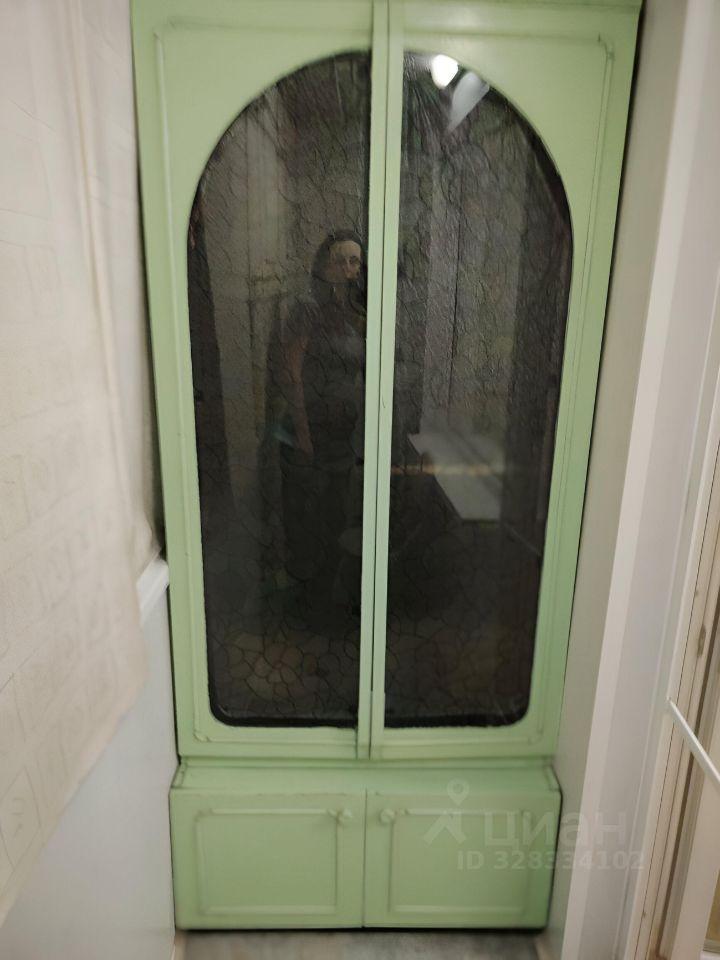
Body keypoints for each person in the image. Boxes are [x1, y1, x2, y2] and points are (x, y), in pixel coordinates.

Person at [268, 229, 366, 624]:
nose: (347, 268)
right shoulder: (306, 309)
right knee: (306, 520)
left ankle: (327, 605)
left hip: (341, 437)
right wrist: (304, 434)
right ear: (324, 263)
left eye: (355, 261)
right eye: (340, 260)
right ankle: (303, 609)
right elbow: (290, 373)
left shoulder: (352, 311)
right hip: (309, 433)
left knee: (335, 518)